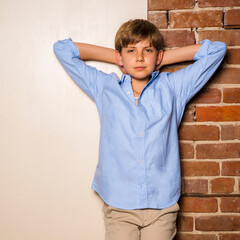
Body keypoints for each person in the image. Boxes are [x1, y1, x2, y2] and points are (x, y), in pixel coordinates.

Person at [53, 19, 226, 240]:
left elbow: (217, 50)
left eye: (148, 50)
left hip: (161, 208)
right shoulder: (105, 87)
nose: (140, 57)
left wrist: (159, 60)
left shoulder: (173, 87)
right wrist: (120, 59)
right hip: (119, 207)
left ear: (158, 55)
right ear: (120, 56)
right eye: (131, 50)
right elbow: (63, 49)